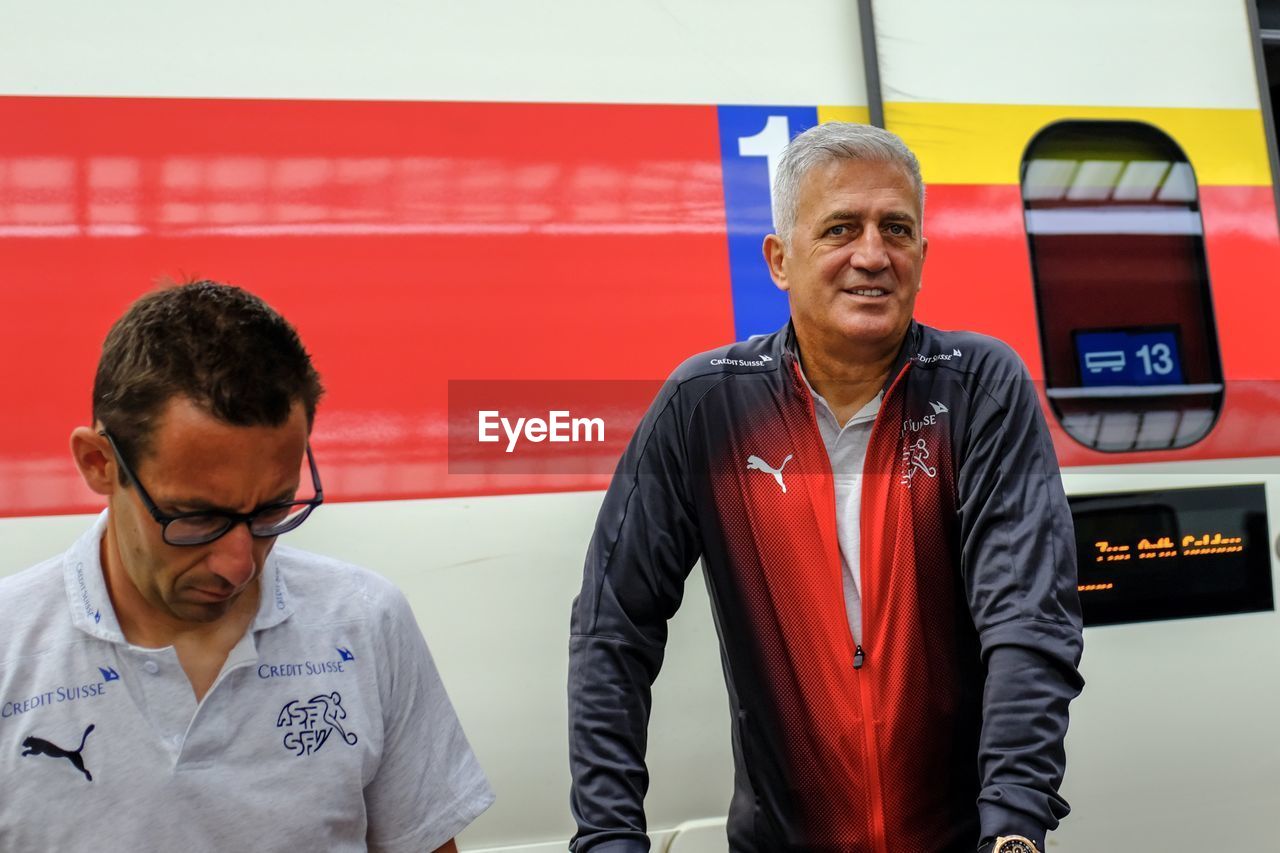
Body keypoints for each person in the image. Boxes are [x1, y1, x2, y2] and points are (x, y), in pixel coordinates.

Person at [568, 123, 1084, 853]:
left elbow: (1027, 619)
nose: (872, 255)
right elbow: (611, 627)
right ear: (780, 259)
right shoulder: (706, 405)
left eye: (896, 229)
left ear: (923, 256)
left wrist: (1015, 822)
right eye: (841, 228)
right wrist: (609, 834)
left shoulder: (979, 389)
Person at [0, 281, 494, 851]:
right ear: (98, 463)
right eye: (195, 517)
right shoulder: (14, 648)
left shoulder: (361, 622)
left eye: (272, 509)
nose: (239, 565)